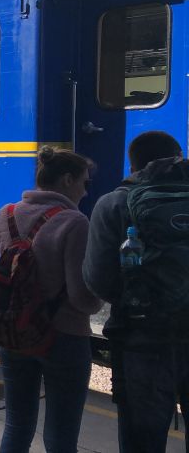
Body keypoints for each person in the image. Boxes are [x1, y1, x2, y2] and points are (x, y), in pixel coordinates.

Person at [83, 131, 189, 452]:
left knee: (142, 440)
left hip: (142, 340)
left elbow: (97, 281)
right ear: (177, 155)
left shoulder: (114, 203)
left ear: (133, 164)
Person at [0, 147, 103, 452]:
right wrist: (98, 303)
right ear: (68, 179)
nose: (85, 190)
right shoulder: (74, 221)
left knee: (16, 425)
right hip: (64, 338)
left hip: (13, 331)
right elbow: (82, 297)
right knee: (61, 433)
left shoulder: (8, 214)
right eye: (84, 182)